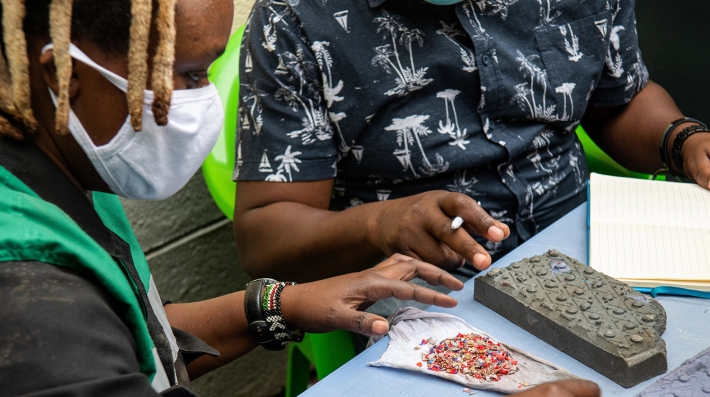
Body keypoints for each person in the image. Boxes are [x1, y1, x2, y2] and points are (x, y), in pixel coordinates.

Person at [0, 0, 602, 396]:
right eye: (188, 75)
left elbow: (136, 336)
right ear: (59, 77)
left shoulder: (62, 170)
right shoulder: (32, 296)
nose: (205, 102)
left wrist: (280, 306)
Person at [233, 0, 710, 283]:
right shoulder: (293, 20)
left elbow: (615, 99)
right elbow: (266, 238)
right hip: (425, 280)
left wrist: (682, 140)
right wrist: (377, 223)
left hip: (592, 239)